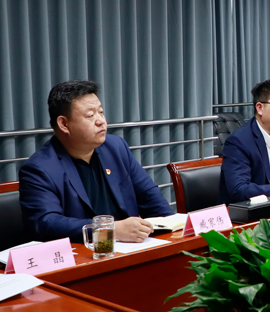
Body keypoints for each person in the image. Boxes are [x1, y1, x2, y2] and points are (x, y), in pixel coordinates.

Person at [19, 80, 174, 243]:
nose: (101, 121)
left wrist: (173, 228)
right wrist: (109, 229)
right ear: (64, 124)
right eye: (90, 115)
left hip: (131, 248)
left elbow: (150, 197)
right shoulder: (40, 169)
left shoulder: (116, 148)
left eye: (101, 112)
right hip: (85, 253)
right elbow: (46, 224)